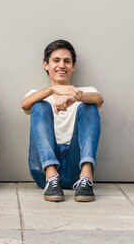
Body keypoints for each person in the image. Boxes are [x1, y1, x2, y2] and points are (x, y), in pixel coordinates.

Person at [21, 39, 103, 202]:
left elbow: (99, 99)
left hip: (75, 167)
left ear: (73, 66)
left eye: (67, 61)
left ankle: (86, 177)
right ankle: (52, 178)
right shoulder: (37, 93)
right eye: (56, 60)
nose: (61, 65)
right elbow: (24, 104)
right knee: (39, 106)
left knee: (89, 105)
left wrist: (75, 97)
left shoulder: (86, 91)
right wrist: (52, 90)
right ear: (46, 65)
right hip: (43, 170)